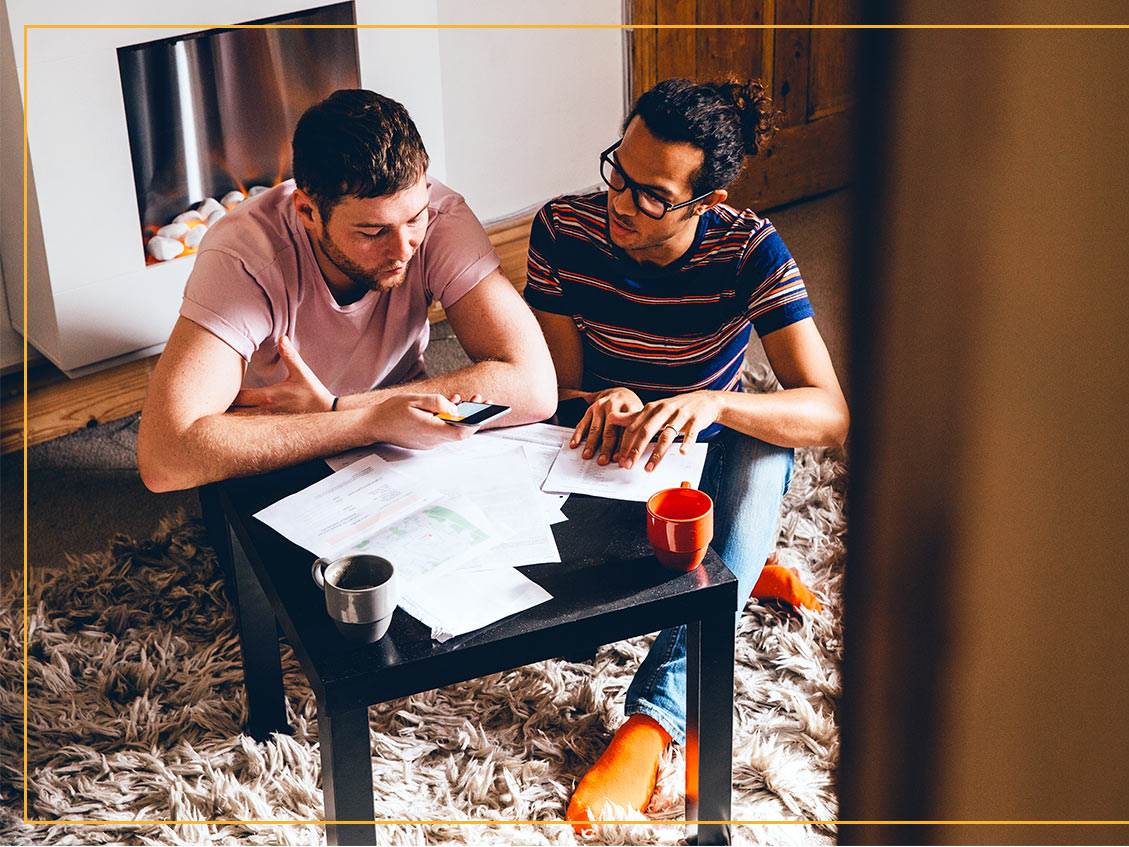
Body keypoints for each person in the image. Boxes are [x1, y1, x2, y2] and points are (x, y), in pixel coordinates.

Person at [524, 77, 849, 831]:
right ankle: (737, 560)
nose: (621, 202)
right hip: (603, 453)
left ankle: (650, 725)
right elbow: (554, 395)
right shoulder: (561, 232)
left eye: (652, 196)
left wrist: (715, 403)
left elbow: (829, 413)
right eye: (619, 174)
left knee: (767, 455)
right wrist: (595, 402)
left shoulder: (750, 249)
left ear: (708, 203)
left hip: (701, 464)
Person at [137, 89, 556, 492]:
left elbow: (535, 386)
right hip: (274, 443)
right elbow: (166, 458)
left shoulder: (441, 216)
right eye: (373, 232)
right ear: (307, 211)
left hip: (404, 439)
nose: (402, 249)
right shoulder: (245, 254)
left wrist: (342, 409)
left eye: (414, 219)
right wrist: (367, 421)